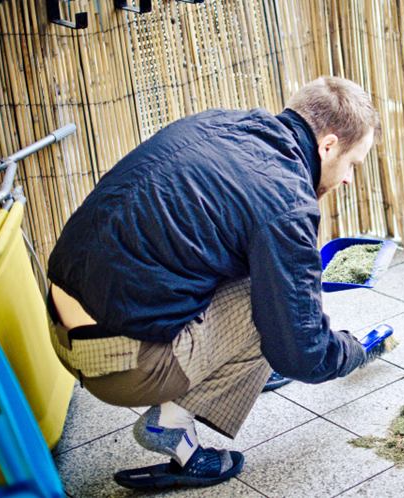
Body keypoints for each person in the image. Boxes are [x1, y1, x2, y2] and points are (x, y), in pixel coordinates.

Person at [46, 77, 380, 489]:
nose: (348, 179)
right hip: (118, 366)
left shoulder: (220, 124)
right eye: (353, 164)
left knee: (265, 278)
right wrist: (351, 351)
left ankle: (246, 369)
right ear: (327, 145)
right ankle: (172, 428)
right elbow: (303, 353)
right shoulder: (288, 199)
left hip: (60, 323)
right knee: (276, 310)